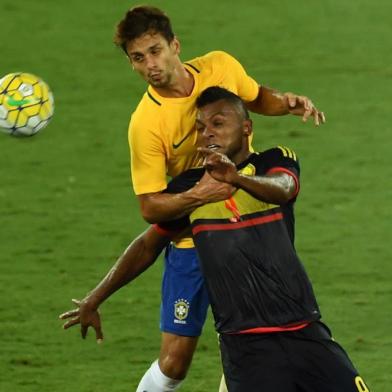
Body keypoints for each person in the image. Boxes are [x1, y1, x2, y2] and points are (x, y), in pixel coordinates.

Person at [62, 5, 325, 391]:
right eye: (138, 58)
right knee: (174, 363)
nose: (150, 64)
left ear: (175, 45)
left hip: (248, 218)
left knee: (260, 331)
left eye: (155, 50)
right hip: (193, 230)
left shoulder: (219, 66)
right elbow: (150, 207)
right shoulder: (146, 125)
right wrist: (200, 194)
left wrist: (287, 103)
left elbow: (254, 97)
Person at [60, 87, 369, 391]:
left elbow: (285, 189)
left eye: (218, 124)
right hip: (245, 348)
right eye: (201, 127)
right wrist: (94, 298)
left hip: (305, 332)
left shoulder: (274, 160)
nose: (208, 133)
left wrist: (236, 177)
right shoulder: (193, 188)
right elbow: (147, 245)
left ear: (246, 128)